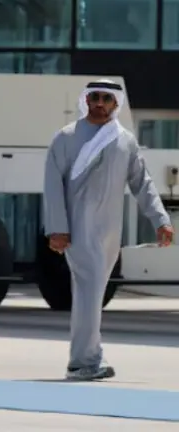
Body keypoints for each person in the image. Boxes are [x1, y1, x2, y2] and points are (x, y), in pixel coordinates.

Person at [43, 78, 173, 381]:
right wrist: (58, 229)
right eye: (95, 97)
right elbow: (52, 186)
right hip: (78, 229)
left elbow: (142, 183)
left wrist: (161, 220)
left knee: (92, 294)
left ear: (116, 103)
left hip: (110, 232)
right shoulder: (65, 137)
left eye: (106, 98)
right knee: (89, 293)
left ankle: (86, 358)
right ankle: (83, 361)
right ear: (86, 100)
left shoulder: (124, 139)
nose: (99, 103)